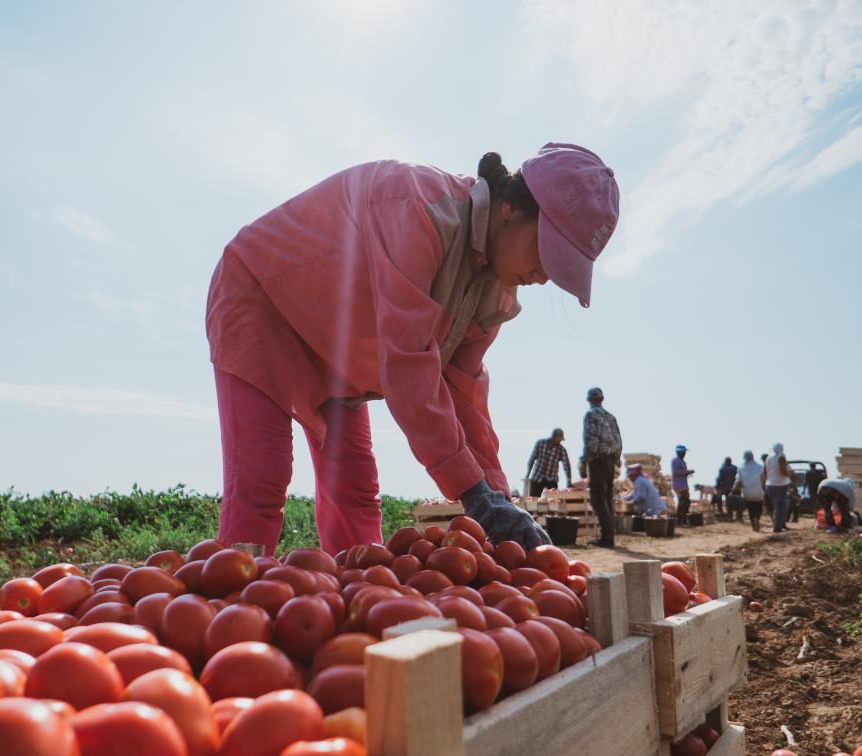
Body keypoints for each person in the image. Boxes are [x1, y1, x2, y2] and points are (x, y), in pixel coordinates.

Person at [205, 144, 620, 555]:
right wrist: (471, 492)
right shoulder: (418, 208)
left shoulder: (497, 290)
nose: (545, 276)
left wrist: (495, 494)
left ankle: (358, 607)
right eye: (545, 253)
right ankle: (239, 603)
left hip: (339, 350)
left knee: (355, 488)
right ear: (510, 210)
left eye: (560, 265)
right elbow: (409, 366)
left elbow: (464, 393)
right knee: (261, 476)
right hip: (262, 301)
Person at [579, 387, 622, 547]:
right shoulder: (611, 417)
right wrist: (617, 460)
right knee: (608, 498)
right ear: (602, 399)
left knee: (598, 499)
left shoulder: (590, 415)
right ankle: (610, 535)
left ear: (589, 400)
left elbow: (591, 440)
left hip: (597, 460)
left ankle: (607, 536)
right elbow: (618, 440)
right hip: (610, 461)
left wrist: (584, 461)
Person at [525, 428, 572, 497]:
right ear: (554, 437)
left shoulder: (561, 450)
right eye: (559, 439)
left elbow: (567, 466)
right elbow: (532, 459)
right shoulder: (540, 443)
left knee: (553, 500)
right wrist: (528, 474)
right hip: (537, 478)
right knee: (533, 500)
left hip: (551, 480)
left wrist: (569, 481)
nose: (560, 441)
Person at [764, 442, 794, 532]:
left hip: (770, 485)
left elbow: (764, 471)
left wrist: (764, 483)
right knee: (780, 506)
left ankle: (781, 524)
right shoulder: (781, 456)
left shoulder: (768, 457)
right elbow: (783, 469)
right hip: (779, 485)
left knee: (782, 505)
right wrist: (789, 478)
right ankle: (777, 527)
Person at [734, 450, 766, 531]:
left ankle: (753, 523)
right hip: (758, 492)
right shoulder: (760, 466)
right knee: (759, 508)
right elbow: (763, 480)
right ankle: (757, 518)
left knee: (751, 509)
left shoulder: (740, 468)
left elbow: (738, 482)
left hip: (747, 493)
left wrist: (734, 490)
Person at [671, 445, 695, 526]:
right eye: (684, 452)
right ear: (680, 452)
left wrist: (687, 473)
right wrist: (687, 472)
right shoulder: (676, 461)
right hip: (679, 485)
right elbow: (676, 472)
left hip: (684, 485)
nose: (685, 454)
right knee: (682, 503)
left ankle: (683, 521)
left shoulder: (682, 461)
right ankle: (679, 521)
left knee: (686, 502)